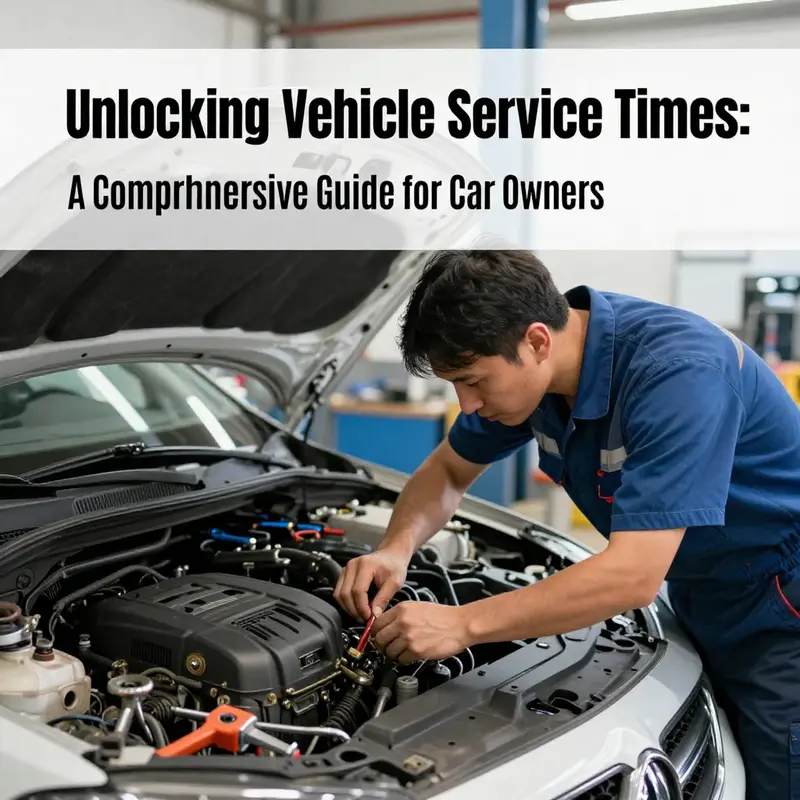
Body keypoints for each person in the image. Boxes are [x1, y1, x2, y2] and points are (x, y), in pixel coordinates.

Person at [332, 248, 800, 800]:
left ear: (536, 341)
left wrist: (463, 625)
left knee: (777, 774)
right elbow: (449, 470)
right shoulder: (541, 375)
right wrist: (396, 548)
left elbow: (632, 577)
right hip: (703, 587)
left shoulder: (677, 375)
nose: (468, 404)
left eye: (473, 381)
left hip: (781, 606)